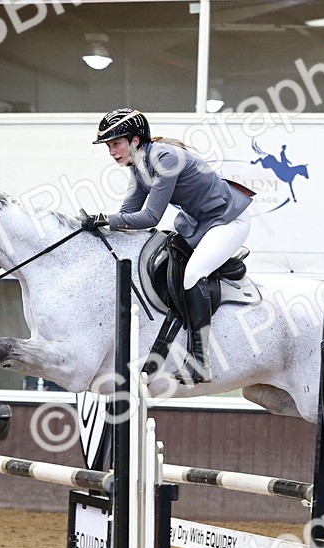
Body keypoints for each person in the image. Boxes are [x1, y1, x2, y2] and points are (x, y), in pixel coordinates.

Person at [80, 108, 252, 383]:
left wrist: (105, 219)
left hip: (228, 221)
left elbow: (149, 217)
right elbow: (128, 214)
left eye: (116, 144)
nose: (112, 152)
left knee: (193, 274)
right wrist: (102, 226)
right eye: (109, 147)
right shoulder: (139, 167)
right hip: (200, 222)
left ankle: (199, 361)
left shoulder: (165, 159)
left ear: (135, 140)